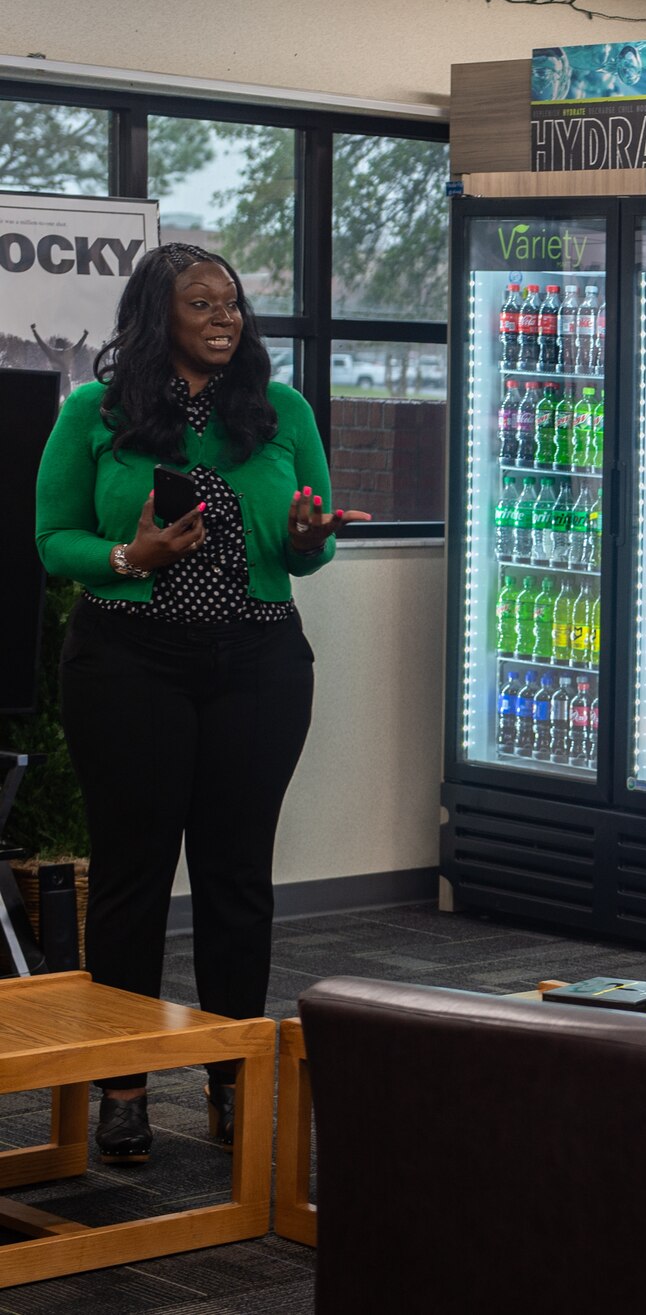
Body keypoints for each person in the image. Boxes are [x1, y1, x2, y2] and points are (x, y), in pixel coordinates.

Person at [33, 243, 370, 1164]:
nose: (225, 319)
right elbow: (50, 537)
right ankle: (125, 1088)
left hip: (256, 662)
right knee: (135, 875)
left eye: (232, 304)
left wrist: (309, 537)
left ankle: (232, 1080)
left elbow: (308, 551)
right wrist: (125, 560)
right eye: (201, 304)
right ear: (157, 315)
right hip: (127, 662)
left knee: (235, 878)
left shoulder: (282, 410)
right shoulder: (95, 414)